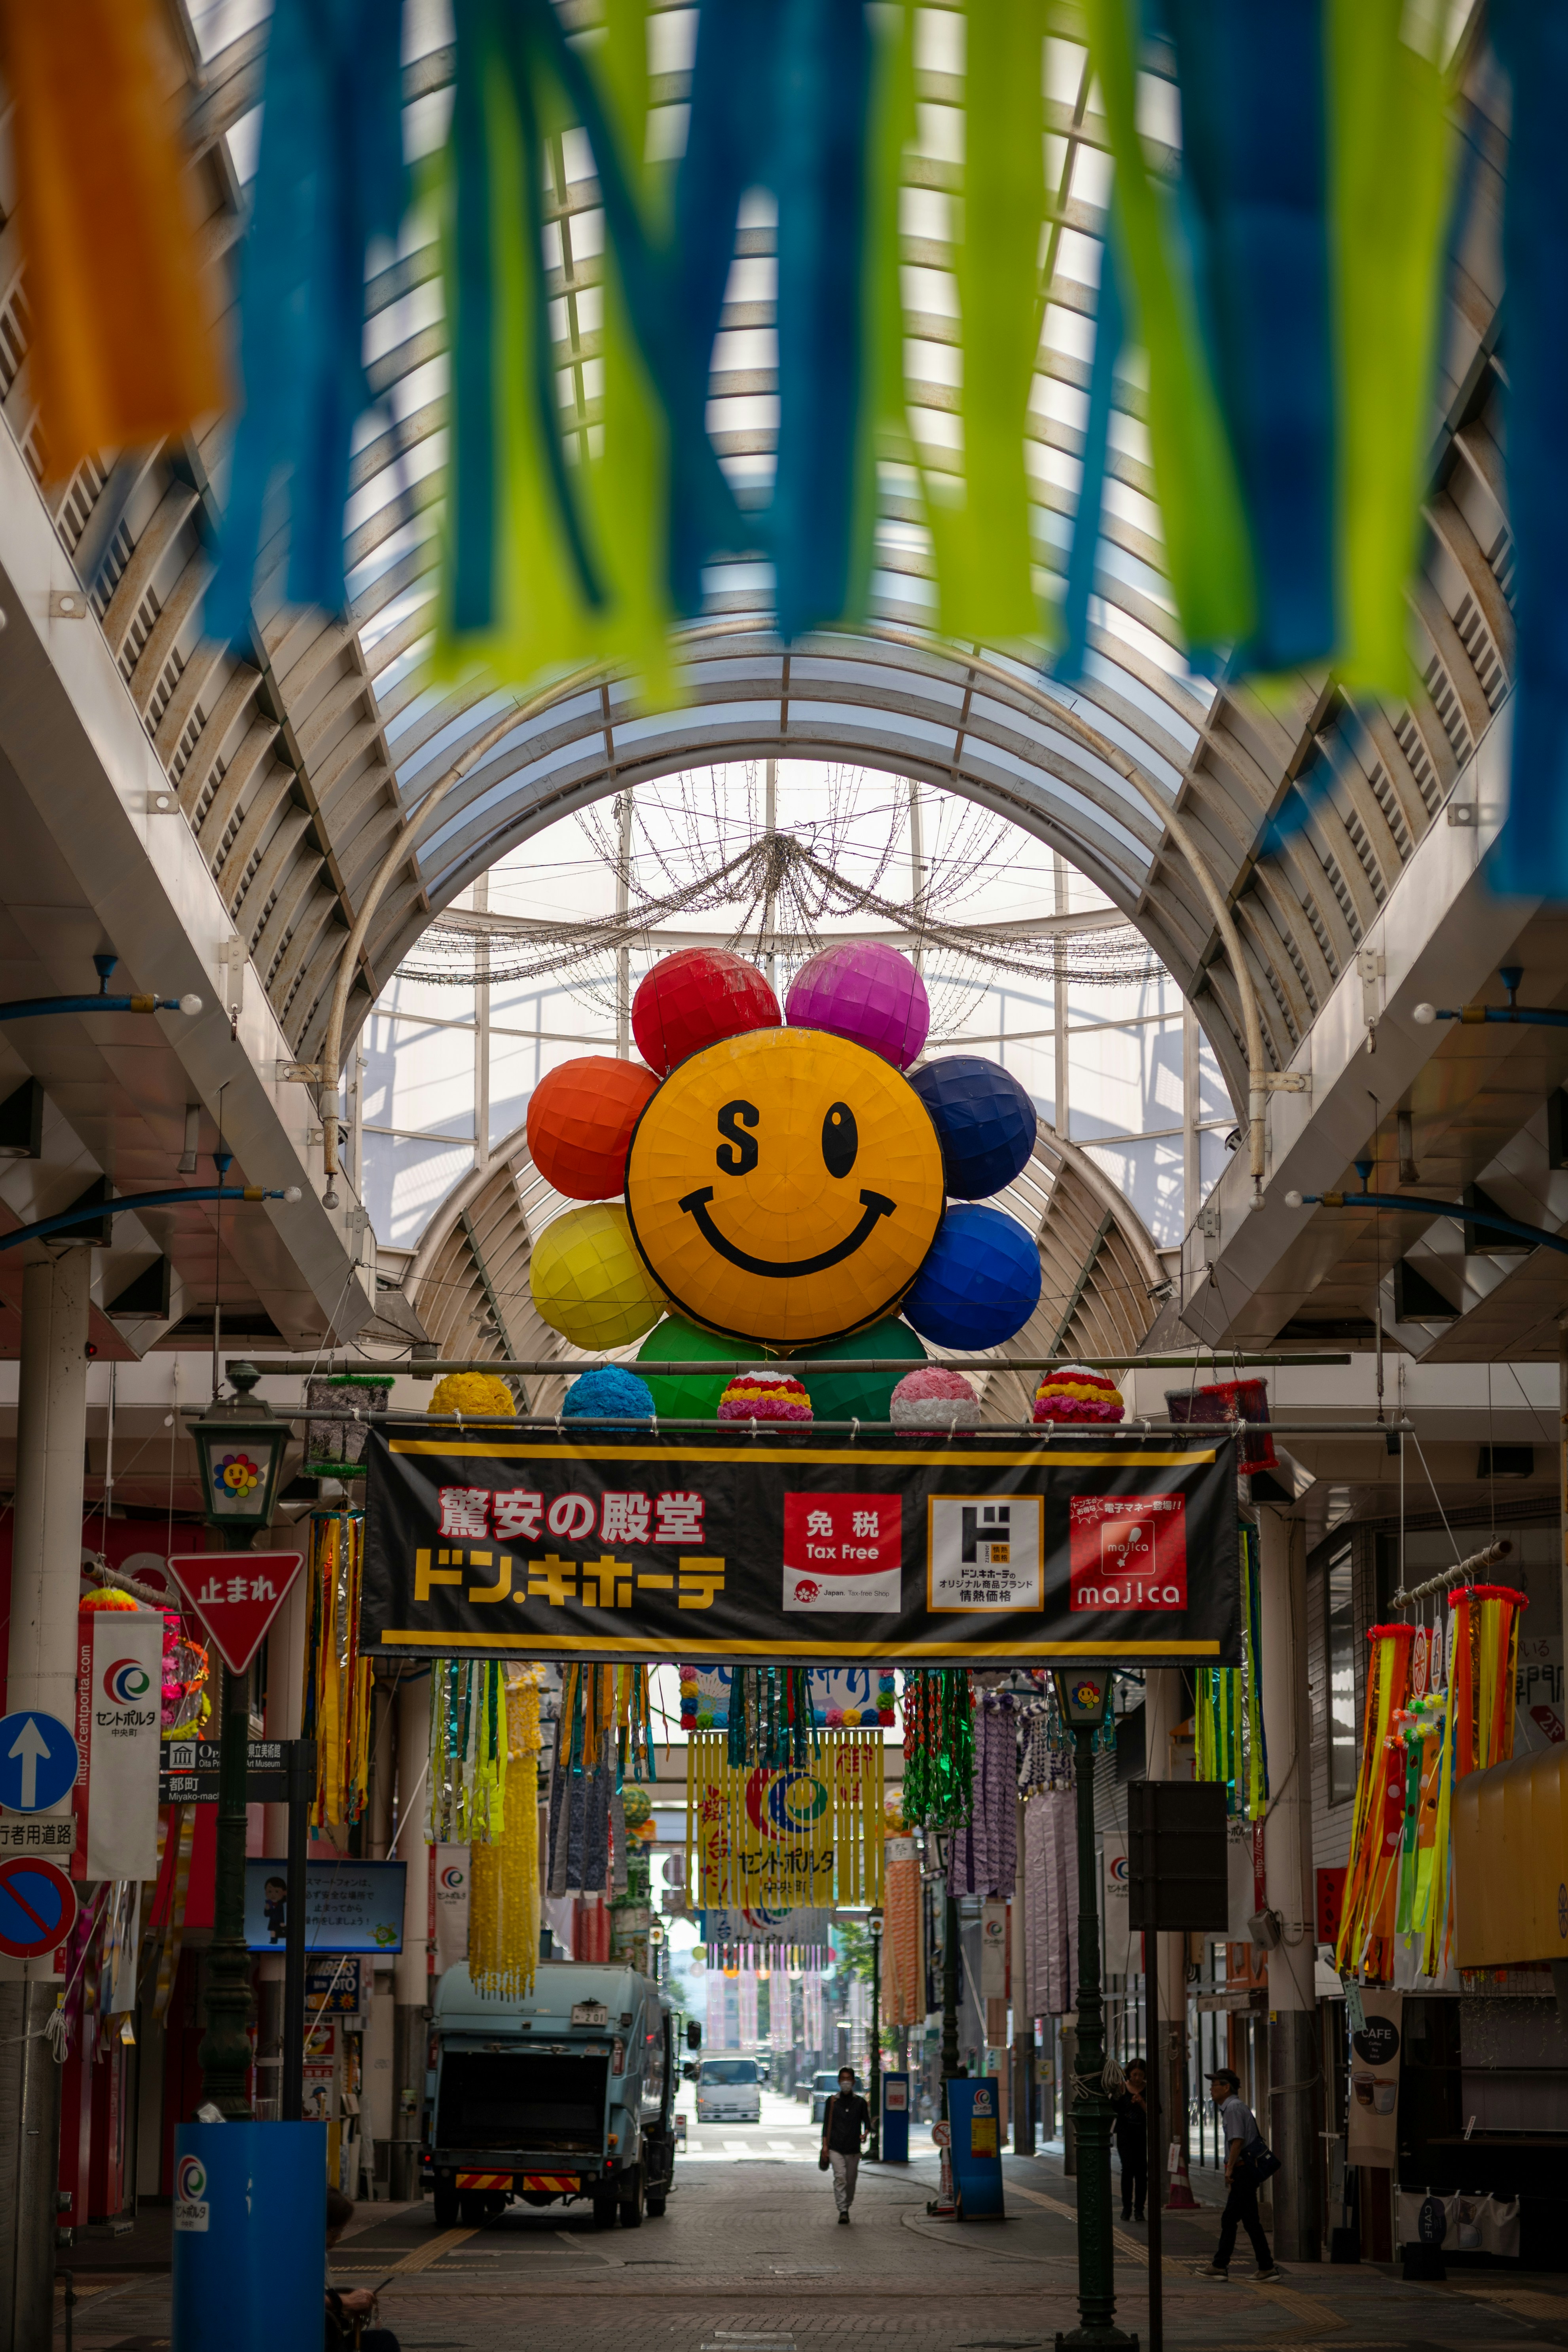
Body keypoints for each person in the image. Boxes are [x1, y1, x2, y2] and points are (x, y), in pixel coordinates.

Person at [1197, 2069, 1282, 2282]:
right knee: (1247, 2221)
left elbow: (1238, 2141)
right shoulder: (1236, 2107)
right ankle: (1264, 2266)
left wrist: (1230, 2168)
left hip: (1243, 2171)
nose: (1211, 2089)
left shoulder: (1233, 2109)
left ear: (1226, 2088)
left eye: (1214, 2085)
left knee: (1235, 2220)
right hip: (1244, 2170)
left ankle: (1223, 2265)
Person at [326, 2184, 400, 2350]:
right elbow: (304, 2299)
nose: (338, 2238)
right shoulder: (299, 2258)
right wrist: (347, 2302)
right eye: (334, 2230)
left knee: (383, 2340)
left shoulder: (318, 2254)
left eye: (342, 2230)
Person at [820, 2064, 871, 2223]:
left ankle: (847, 2205)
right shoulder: (833, 2102)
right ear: (839, 2082)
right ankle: (843, 2210)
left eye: (848, 2079)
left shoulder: (860, 2103)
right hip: (836, 2147)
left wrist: (865, 2134)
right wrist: (825, 2146)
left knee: (851, 2180)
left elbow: (867, 2123)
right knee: (840, 2177)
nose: (846, 2083)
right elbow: (826, 2125)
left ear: (854, 2082)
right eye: (843, 2079)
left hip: (853, 2149)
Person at [1113, 2059, 1148, 2221]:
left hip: (1142, 2133)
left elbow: (1155, 2112)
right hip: (1125, 2133)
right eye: (1134, 2074)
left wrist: (1141, 2102)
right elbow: (1115, 2109)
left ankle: (1139, 2209)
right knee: (1127, 2169)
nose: (1137, 2078)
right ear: (1129, 2074)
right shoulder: (1122, 2089)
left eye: (1140, 2075)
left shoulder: (1148, 2090)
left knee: (1142, 2172)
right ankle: (1127, 2208)